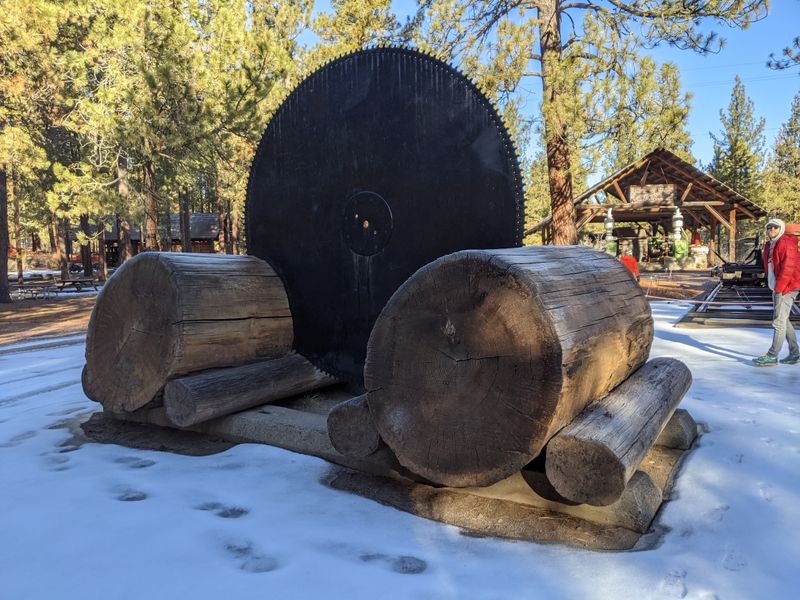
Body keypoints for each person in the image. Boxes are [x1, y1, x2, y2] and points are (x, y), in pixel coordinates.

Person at [752, 217, 800, 366]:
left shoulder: (786, 243)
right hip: (778, 285)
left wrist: (780, 288)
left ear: (781, 229)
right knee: (783, 320)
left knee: (778, 322)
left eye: (775, 227)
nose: (772, 230)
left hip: (787, 286)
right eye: (769, 227)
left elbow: (789, 268)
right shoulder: (771, 244)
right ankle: (795, 353)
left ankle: (772, 355)